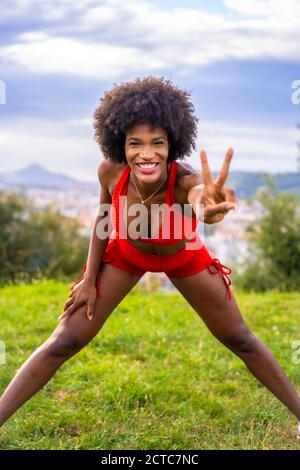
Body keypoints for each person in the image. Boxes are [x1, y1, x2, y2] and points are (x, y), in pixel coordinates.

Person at [0, 76, 299, 440]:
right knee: (64, 339)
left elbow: (202, 202)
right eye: (135, 143)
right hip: (126, 254)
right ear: (119, 145)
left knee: (240, 339)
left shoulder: (184, 180)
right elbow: (102, 219)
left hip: (182, 258)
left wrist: (211, 207)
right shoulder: (109, 171)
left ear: (172, 143)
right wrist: (90, 279)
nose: (147, 153)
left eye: (157, 143)